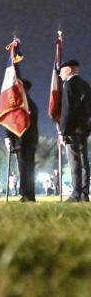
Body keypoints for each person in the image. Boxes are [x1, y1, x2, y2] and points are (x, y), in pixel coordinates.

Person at [59, 59, 91, 202]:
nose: (59, 74)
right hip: (84, 128)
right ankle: (85, 194)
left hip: (71, 130)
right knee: (84, 161)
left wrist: (63, 131)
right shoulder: (86, 85)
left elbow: (66, 110)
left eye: (61, 71)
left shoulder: (68, 85)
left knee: (74, 162)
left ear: (69, 70)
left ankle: (76, 194)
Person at [3, 79, 38, 202]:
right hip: (30, 142)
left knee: (24, 169)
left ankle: (26, 195)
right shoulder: (32, 104)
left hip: (22, 141)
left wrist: (9, 137)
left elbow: (12, 120)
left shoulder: (22, 104)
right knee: (29, 169)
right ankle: (29, 194)